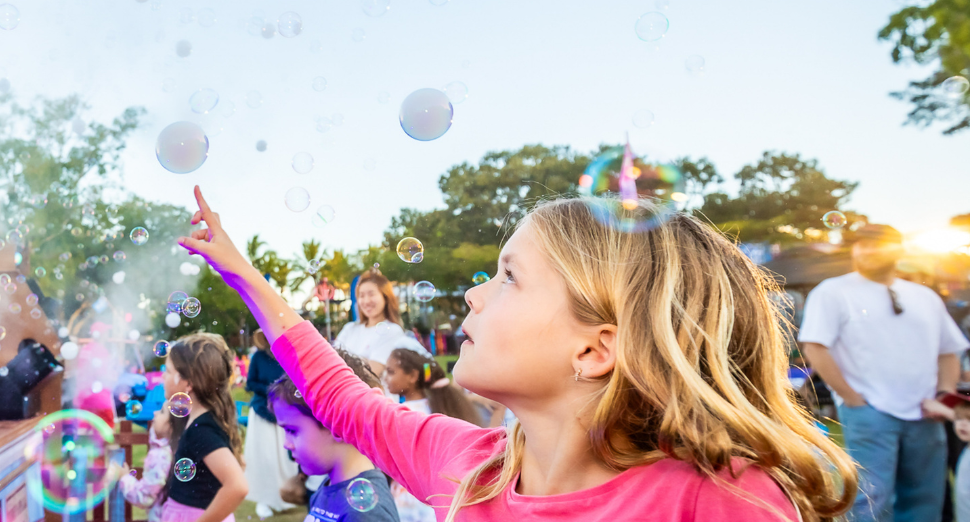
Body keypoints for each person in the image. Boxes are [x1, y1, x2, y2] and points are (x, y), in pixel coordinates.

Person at [176, 186, 857, 521]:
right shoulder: (473, 469)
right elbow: (342, 398)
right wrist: (243, 273)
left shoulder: (720, 498)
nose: (475, 295)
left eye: (509, 277)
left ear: (594, 350)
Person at [798, 224, 969, 522]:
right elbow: (815, 346)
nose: (868, 250)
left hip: (926, 413)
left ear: (898, 250)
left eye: (877, 244)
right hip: (869, 413)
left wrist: (944, 395)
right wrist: (853, 400)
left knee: (926, 500)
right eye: (861, 244)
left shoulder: (924, 296)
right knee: (870, 503)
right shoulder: (833, 291)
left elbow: (948, 351)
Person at [269, 350, 400, 522]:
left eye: (292, 431)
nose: (287, 444)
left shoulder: (367, 515)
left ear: (337, 428)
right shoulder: (328, 487)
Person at [158, 332, 249, 522]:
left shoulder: (202, 431)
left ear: (188, 383)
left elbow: (237, 486)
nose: (162, 377)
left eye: (167, 371)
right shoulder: (199, 420)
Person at [333, 269, 430, 376]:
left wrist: (344, 364)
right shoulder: (350, 328)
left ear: (386, 297)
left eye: (371, 294)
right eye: (361, 295)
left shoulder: (392, 330)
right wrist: (362, 361)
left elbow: (371, 373)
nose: (366, 301)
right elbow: (332, 361)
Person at [244, 331, 299, 518]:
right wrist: (271, 390)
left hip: (285, 414)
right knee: (264, 457)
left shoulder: (289, 357)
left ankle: (285, 495)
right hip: (262, 413)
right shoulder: (259, 357)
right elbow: (250, 383)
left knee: (286, 456)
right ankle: (264, 499)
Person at [384, 349, 483, 426]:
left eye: (390, 372)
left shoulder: (404, 413)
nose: (385, 378)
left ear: (413, 376)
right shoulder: (437, 404)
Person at [122, 411, 175, 522]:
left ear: (172, 424)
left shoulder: (161, 455)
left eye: (162, 412)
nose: (155, 412)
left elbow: (144, 497)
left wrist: (124, 478)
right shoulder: (181, 449)